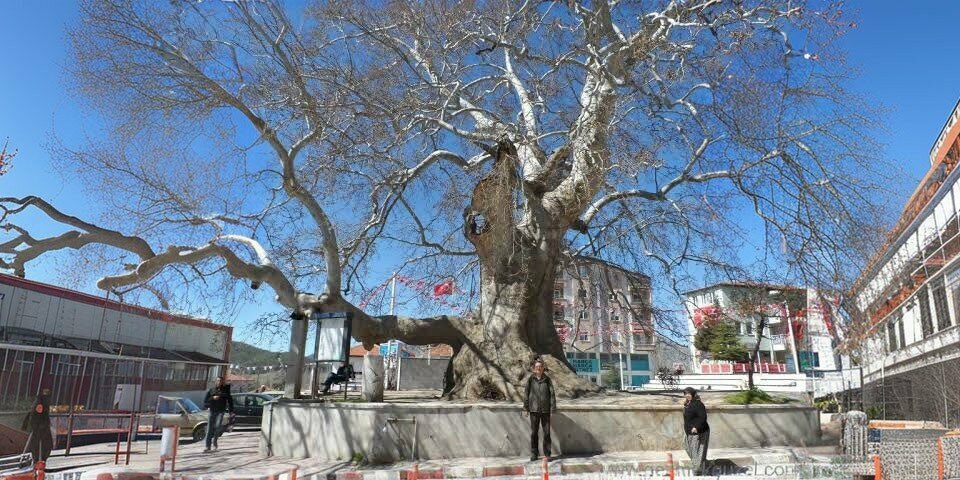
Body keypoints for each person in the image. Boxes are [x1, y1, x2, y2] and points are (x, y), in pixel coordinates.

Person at [522, 358, 556, 462]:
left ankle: (547, 454)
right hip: (534, 410)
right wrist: (526, 408)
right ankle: (534, 453)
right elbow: (526, 394)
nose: (539, 368)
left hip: (545, 410)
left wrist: (553, 409)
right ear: (534, 369)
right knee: (534, 433)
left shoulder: (547, 380)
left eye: (540, 367)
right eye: (537, 367)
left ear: (543, 368)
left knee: (546, 433)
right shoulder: (530, 380)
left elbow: (552, 394)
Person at [682, 387, 710, 475]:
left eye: (689, 394)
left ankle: (698, 470)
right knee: (687, 447)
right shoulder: (687, 403)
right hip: (689, 431)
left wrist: (696, 427)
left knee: (698, 451)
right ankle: (699, 466)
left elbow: (703, 417)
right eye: (685, 394)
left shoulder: (698, 404)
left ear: (693, 394)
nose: (687, 395)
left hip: (699, 432)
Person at [21, 389, 53, 465]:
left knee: (40, 444)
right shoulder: (41, 404)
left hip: (39, 428)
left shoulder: (39, 403)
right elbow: (38, 416)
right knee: (42, 444)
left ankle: (38, 459)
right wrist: (43, 425)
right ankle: (39, 460)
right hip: (40, 428)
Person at [203, 376, 234, 452]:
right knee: (209, 428)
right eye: (218, 381)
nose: (220, 382)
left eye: (221, 381)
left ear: (223, 382)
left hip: (221, 411)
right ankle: (207, 446)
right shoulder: (211, 390)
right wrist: (213, 398)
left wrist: (231, 411)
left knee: (217, 427)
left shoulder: (226, 390)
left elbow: (230, 401)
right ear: (216, 382)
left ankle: (215, 443)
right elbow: (205, 401)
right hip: (212, 411)